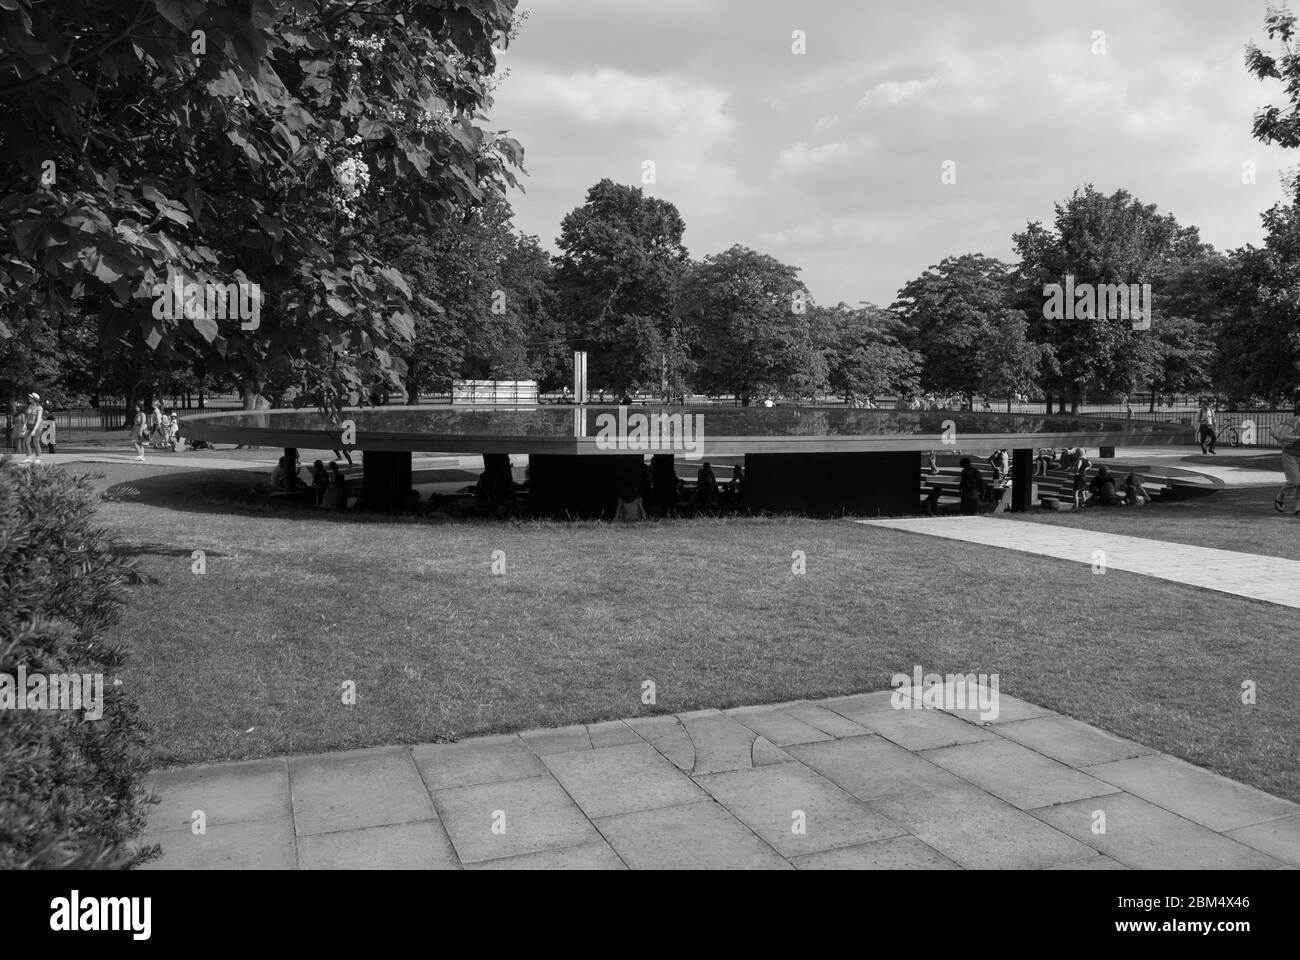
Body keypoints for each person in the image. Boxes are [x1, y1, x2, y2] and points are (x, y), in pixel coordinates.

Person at [1270, 400, 1300, 515]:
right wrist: (1297, 438)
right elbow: (1283, 436)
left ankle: (1298, 507)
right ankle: (1280, 496)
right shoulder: (1295, 421)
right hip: (1291, 455)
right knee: (1295, 481)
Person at [18, 392, 43, 465]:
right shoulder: (29, 406)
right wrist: (24, 425)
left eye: (30, 397)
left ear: (34, 399)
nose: (29, 398)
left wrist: (34, 430)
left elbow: (38, 420)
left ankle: (38, 457)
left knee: (35, 442)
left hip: (37, 426)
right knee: (26, 442)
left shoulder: (39, 408)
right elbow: (27, 417)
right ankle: (28, 457)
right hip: (29, 426)